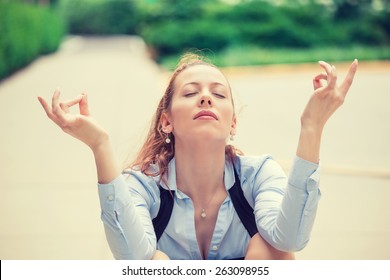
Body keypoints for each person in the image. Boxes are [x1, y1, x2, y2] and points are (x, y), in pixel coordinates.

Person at [37, 53, 358, 260]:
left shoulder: (259, 174)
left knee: (271, 251)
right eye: (191, 93)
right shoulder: (143, 184)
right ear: (166, 121)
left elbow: (292, 238)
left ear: (232, 122)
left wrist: (312, 126)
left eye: (218, 94)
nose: (206, 97)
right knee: (153, 262)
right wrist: (100, 144)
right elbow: (132, 256)